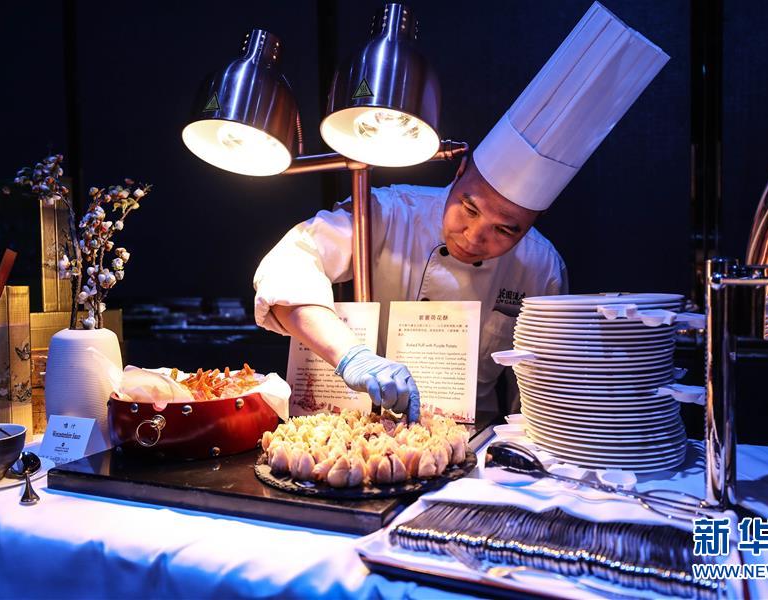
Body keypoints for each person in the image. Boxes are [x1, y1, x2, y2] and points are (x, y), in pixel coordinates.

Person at [253, 3, 669, 420]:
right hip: (361, 428)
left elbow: (539, 391)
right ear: (459, 172)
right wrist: (352, 357)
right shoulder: (388, 213)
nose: (474, 236)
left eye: (505, 230)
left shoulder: (542, 269)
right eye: (469, 208)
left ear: (533, 224)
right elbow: (287, 266)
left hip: (475, 444)